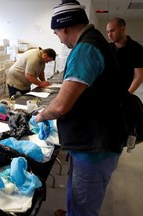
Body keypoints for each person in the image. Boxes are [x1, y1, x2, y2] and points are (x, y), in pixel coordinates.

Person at [33, 1, 128, 216]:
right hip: (91, 139)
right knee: (77, 191)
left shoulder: (86, 48)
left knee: (84, 203)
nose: (58, 38)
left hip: (96, 144)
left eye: (56, 33)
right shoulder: (93, 41)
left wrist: (41, 116)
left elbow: (62, 104)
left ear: (64, 28)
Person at [106, 17, 143, 93]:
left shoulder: (136, 48)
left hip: (124, 91)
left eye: (112, 31)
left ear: (123, 29)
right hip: (106, 90)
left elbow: (139, 75)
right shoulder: (108, 47)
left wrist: (127, 94)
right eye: (108, 32)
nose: (109, 35)